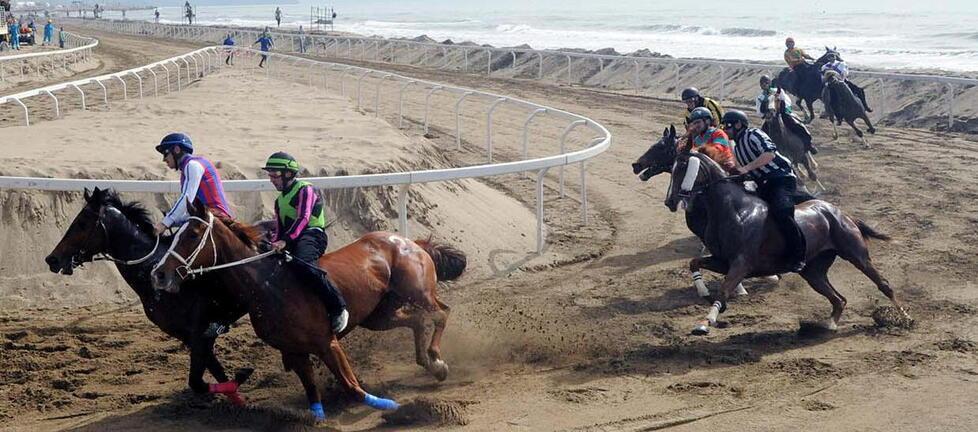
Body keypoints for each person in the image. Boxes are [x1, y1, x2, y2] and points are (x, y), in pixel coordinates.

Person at [262, 152, 349, 334]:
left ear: (288, 174)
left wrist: (284, 241)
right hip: (291, 239)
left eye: (275, 175)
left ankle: (338, 307)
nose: (271, 180)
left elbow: (304, 218)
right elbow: (279, 227)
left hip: (312, 235)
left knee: (304, 264)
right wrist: (273, 242)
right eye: (269, 175)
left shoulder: (305, 189)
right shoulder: (279, 201)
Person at [722, 110, 809, 272]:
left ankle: (799, 256)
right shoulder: (736, 146)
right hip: (762, 184)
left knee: (782, 212)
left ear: (738, 124)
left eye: (727, 125)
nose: (725, 129)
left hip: (780, 179)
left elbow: (769, 154)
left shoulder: (754, 134)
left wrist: (746, 168)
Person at [152, 133, 234, 236]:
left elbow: (186, 198)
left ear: (177, 150)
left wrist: (165, 223)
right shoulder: (188, 168)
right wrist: (169, 222)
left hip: (216, 222)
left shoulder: (192, 165)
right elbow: (190, 211)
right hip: (207, 219)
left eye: (165, 153)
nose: (164, 159)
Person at [755, 75, 817, 154]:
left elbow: (786, 101)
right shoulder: (760, 98)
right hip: (769, 118)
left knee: (798, 127)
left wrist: (783, 110)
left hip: (782, 114)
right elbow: (759, 111)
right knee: (761, 135)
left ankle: (808, 145)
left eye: (766, 82)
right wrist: (764, 115)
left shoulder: (778, 91)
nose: (764, 85)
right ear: (760, 85)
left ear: (770, 83)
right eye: (762, 83)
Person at [685, 106, 735, 173]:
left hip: (725, 169)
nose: (696, 125)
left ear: (707, 121)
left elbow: (718, 149)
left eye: (698, 122)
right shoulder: (697, 139)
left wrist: (698, 150)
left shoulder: (719, 133)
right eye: (694, 123)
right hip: (707, 170)